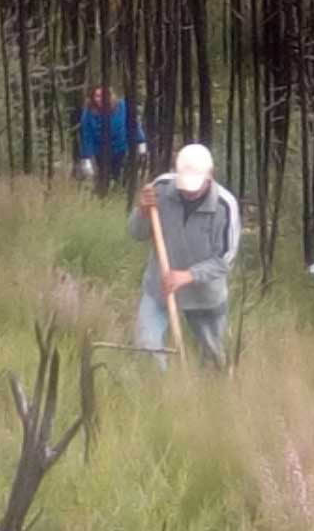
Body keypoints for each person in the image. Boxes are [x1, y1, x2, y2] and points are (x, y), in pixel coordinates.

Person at [133, 142, 241, 365]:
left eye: (195, 187)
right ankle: (160, 394)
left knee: (214, 361)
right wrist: (142, 211)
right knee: (147, 350)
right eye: (185, 186)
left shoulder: (225, 206)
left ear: (210, 176)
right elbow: (136, 233)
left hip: (204, 296)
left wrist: (187, 276)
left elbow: (225, 259)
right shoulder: (160, 189)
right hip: (160, 286)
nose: (189, 193)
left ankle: (209, 396)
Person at [73, 85, 145, 192]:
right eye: (97, 96)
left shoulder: (122, 106)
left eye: (103, 95)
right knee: (102, 183)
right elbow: (87, 136)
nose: (100, 99)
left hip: (122, 149)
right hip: (100, 153)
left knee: (122, 180)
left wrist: (141, 142)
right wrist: (86, 158)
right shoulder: (88, 112)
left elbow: (133, 124)